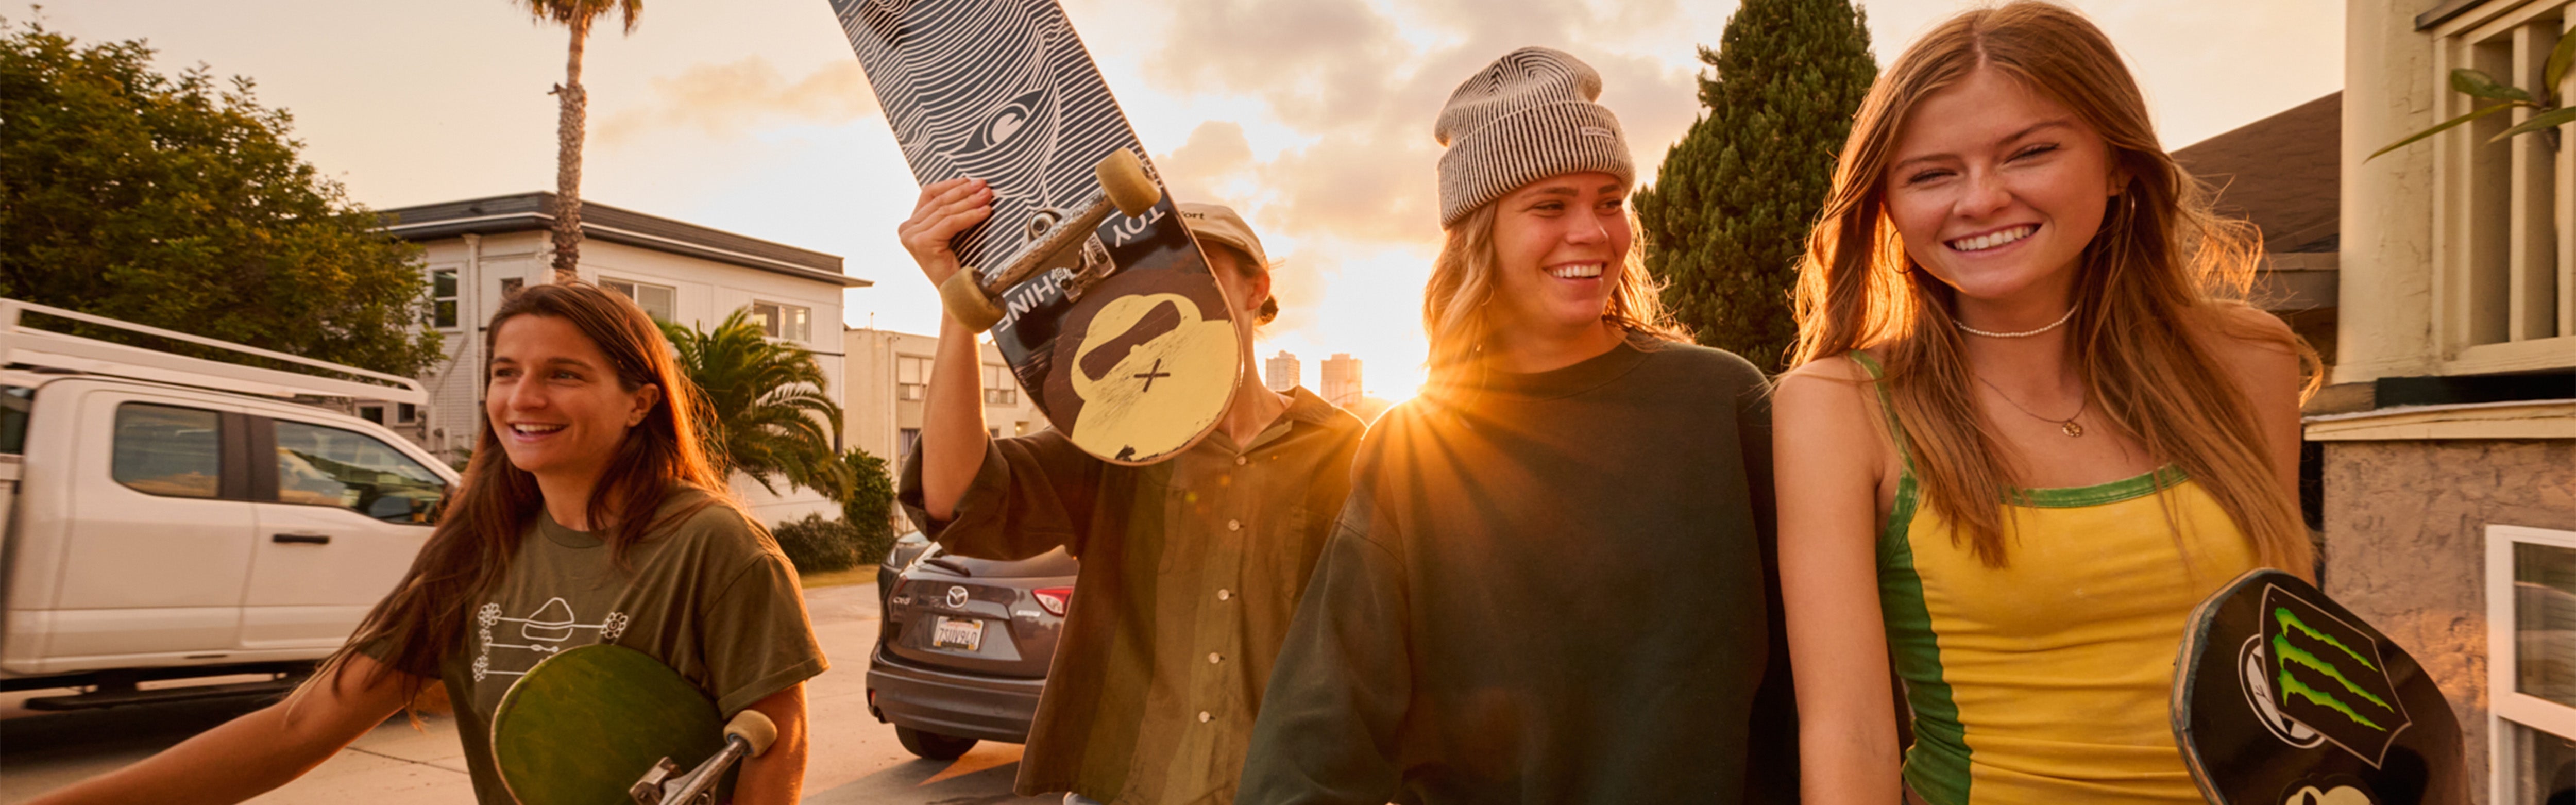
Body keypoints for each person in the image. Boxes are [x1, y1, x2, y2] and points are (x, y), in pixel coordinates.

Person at [1771, 4, 2316, 803]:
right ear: (1886, 203)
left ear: (2119, 162)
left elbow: (2293, 664)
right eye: (1932, 173)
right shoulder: (1835, 406)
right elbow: (1847, 730)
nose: (1981, 199)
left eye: (2029, 153)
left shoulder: (2247, 363)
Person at [1234, 46, 1792, 804]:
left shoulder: (1720, 403)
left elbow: (1818, 680)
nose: (1593, 232)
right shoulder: (1415, 448)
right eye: (1550, 205)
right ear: (1478, 233)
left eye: (1610, 199)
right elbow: (1324, 727)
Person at [29, 283, 826, 805]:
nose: (523, 396)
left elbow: (772, 745)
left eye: (565, 374)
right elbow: (298, 728)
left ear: (639, 402)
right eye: (506, 371)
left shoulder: (714, 545)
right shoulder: (476, 551)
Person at [895, 191, 1365, 805]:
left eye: (1198, 268)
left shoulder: (1348, 451)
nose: (1176, 291)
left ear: (1256, 289)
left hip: (1282, 790)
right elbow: (957, 497)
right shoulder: (1112, 444)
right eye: (1153, 277)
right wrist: (958, 304)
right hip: (1123, 789)